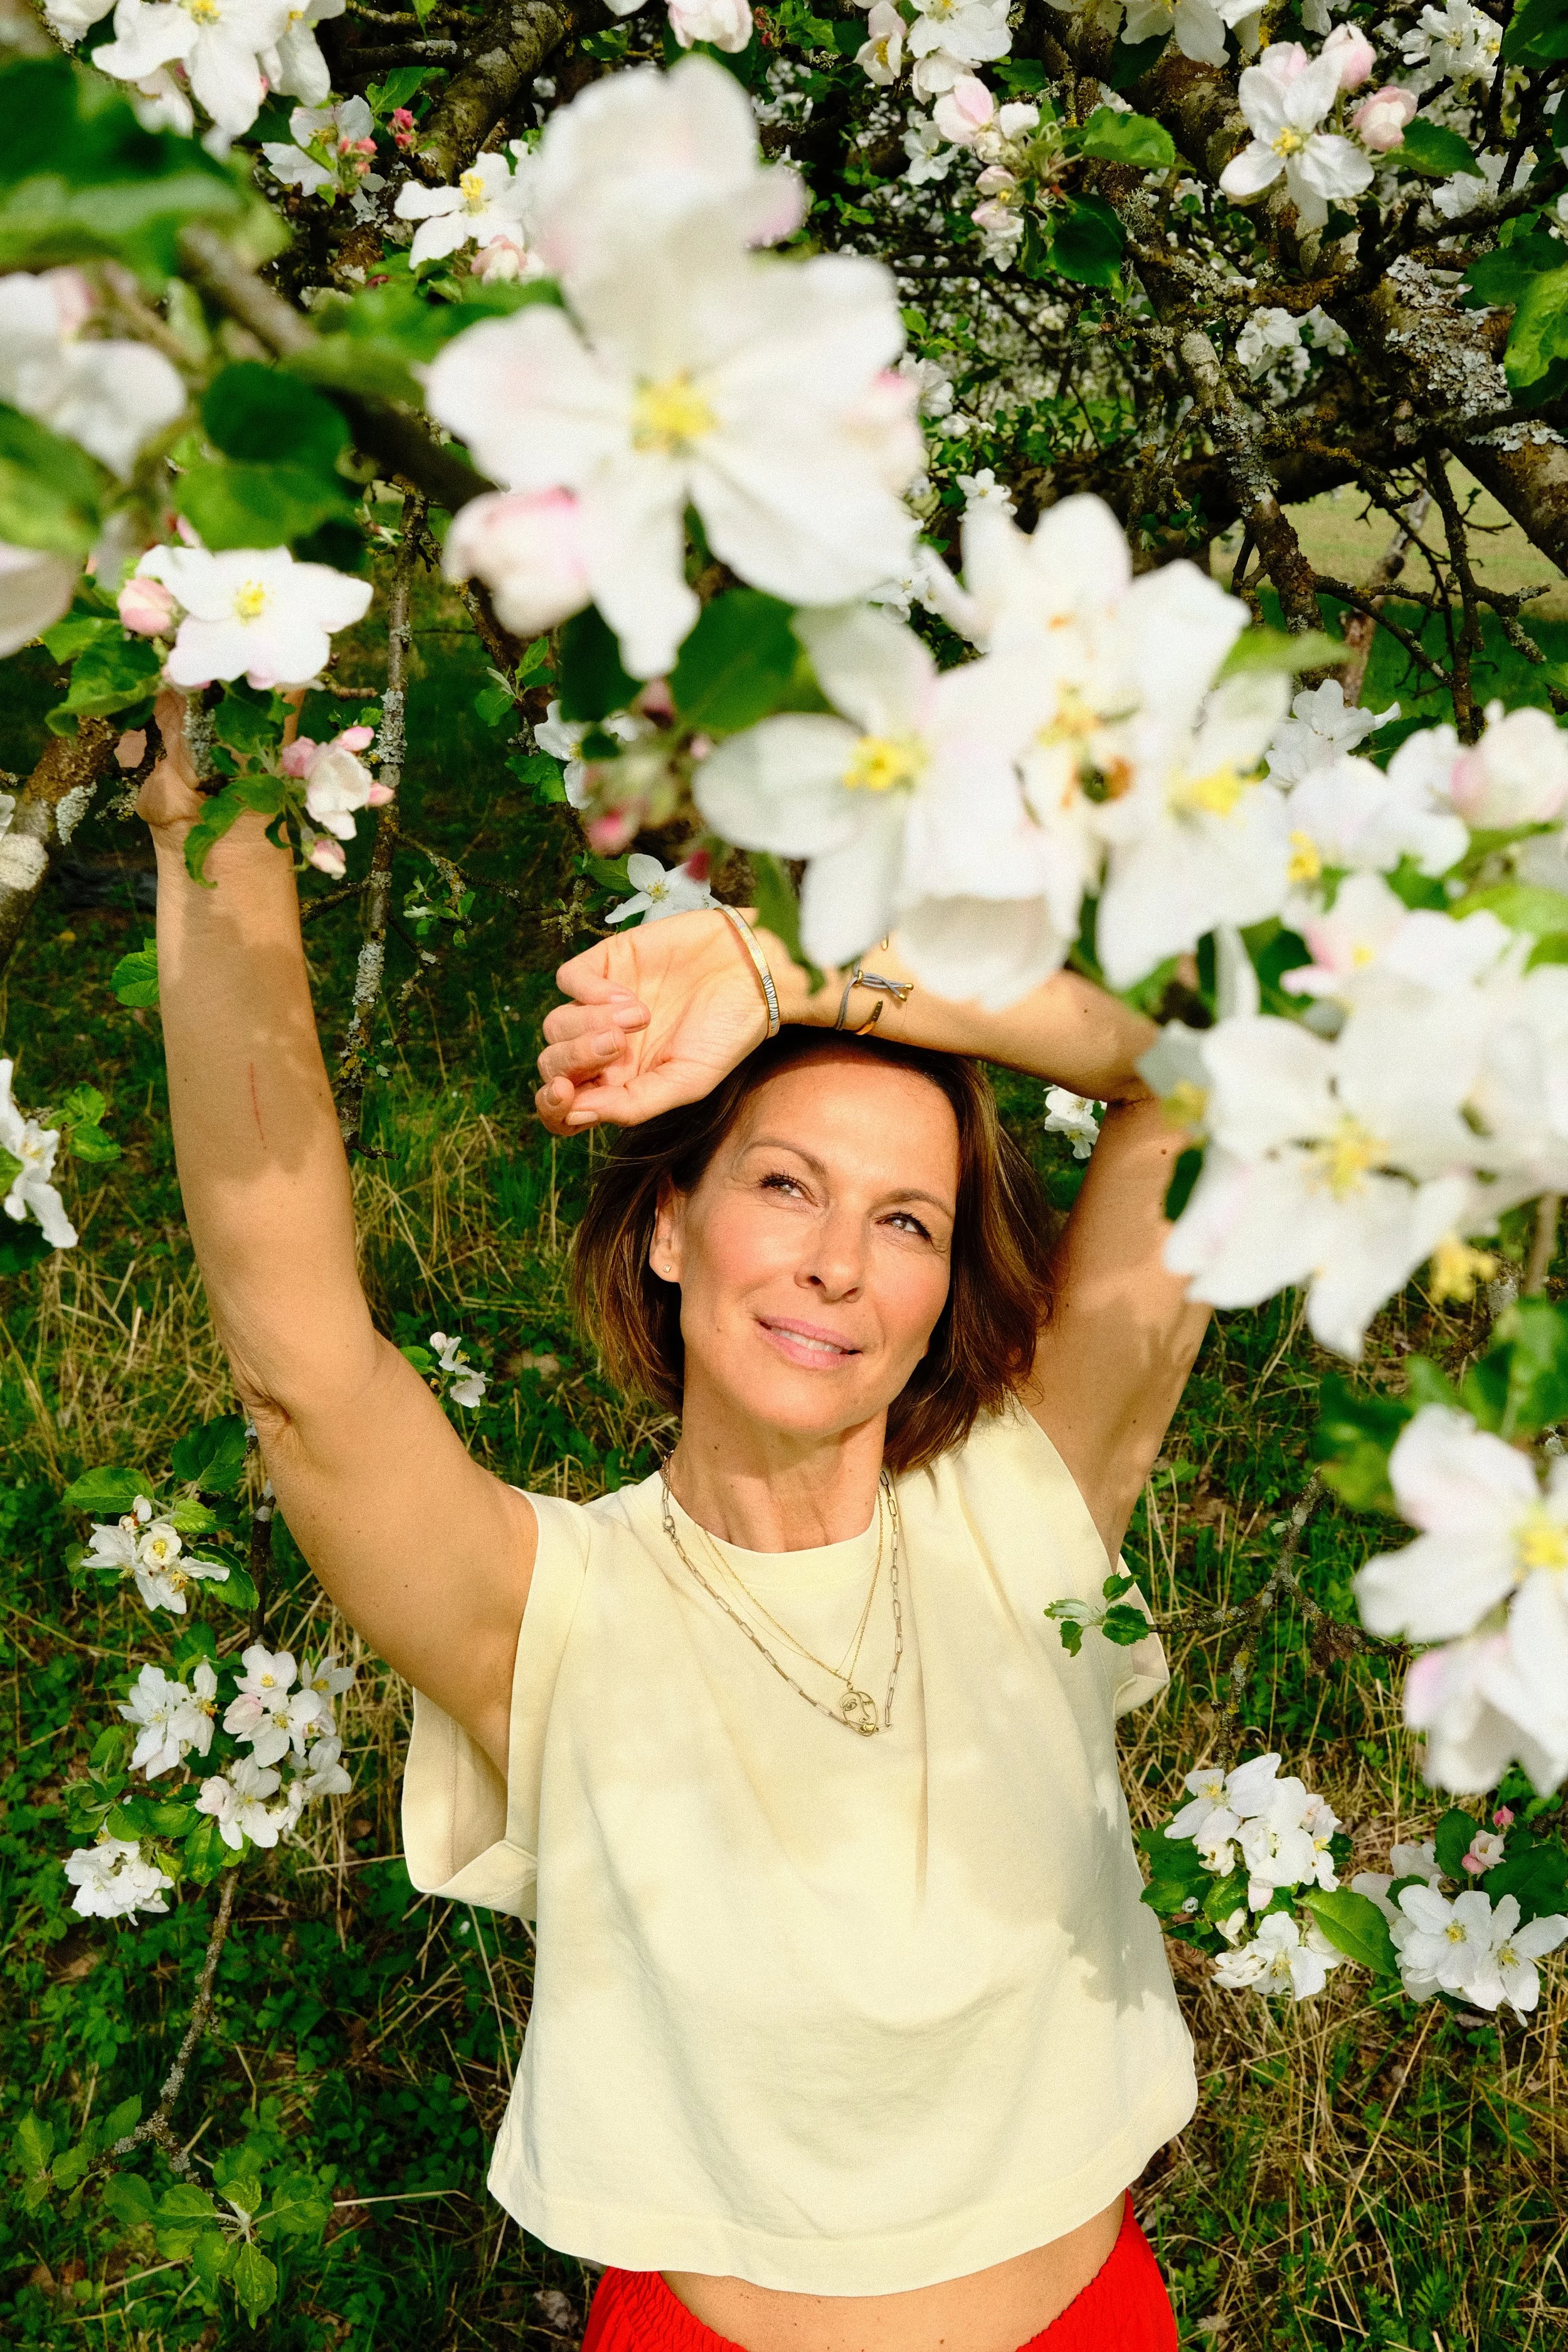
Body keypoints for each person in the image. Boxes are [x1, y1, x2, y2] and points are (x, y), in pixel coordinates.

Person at [141, 691, 1210, 2352]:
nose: (838, 1263)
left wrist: (781, 974)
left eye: (905, 1219)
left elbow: (1195, 1070)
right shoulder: (544, 1614)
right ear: (666, 1227)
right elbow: (296, 1355)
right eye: (784, 1183)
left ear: (943, 1291)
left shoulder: (1033, 1500)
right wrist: (222, 837)